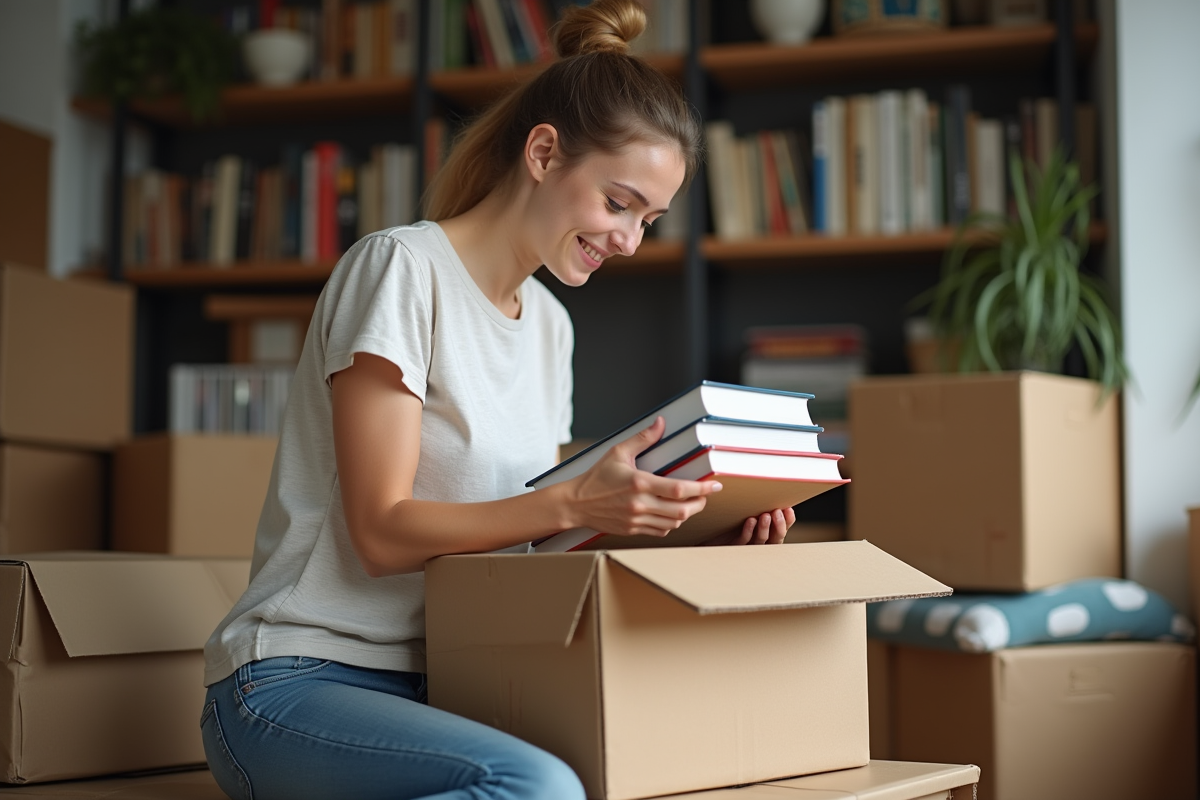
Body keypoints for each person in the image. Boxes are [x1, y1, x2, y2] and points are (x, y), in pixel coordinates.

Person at [199, 1, 796, 798]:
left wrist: (691, 533)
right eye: (617, 203)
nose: (629, 240)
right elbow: (381, 533)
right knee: (535, 787)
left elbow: (531, 548)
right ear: (544, 153)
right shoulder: (402, 270)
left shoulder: (549, 325)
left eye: (648, 219)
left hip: (454, 678)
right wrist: (574, 500)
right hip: (299, 682)